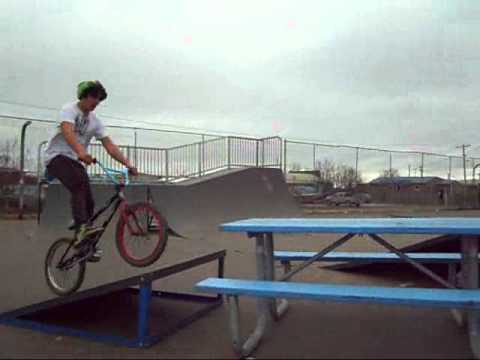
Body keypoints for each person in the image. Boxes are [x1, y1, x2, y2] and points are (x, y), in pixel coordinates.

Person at [44, 81, 138, 259]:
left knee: (89, 201)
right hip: (56, 157)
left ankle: (83, 246)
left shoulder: (95, 122)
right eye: (93, 97)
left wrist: (128, 163)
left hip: (76, 163)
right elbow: (67, 132)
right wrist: (81, 151)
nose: (96, 102)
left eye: (99, 99)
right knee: (79, 183)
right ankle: (81, 228)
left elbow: (109, 145)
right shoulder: (69, 110)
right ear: (84, 96)